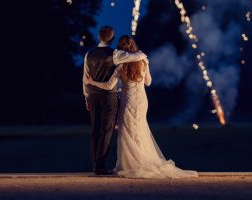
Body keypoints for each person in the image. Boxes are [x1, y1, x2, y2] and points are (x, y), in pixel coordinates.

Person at [85, 35, 198, 178]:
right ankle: (143, 160)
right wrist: (146, 65)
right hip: (142, 100)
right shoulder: (143, 61)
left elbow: (109, 86)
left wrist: (92, 82)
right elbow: (148, 82)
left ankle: (131, 164)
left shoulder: (120, 65)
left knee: (127, 132)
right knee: (140, 129)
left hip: (128, 100)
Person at [82, 26, 147, 175]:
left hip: (92, 95)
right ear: (111, 39)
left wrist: (86, 95)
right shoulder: (116, 54)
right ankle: (101, 166)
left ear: (99, 36)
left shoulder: (88, 54)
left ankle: (95, 164)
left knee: (95, 130)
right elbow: (136, 56)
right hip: (108, 96)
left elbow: (84, 78)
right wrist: (142, 55)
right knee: (106, 130)